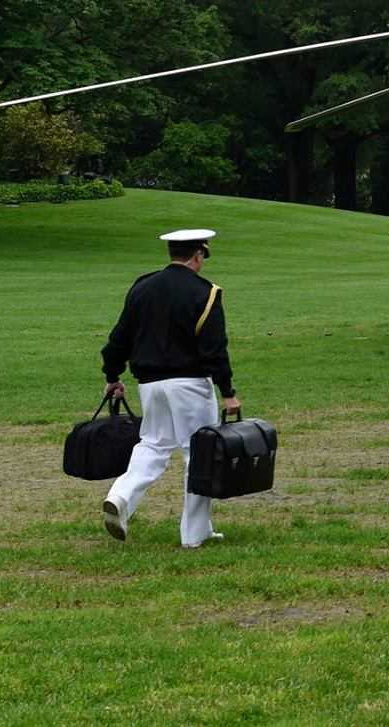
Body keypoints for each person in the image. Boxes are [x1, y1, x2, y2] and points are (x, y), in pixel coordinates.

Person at [98, 227, 241, 549]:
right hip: (190, 385)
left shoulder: (142, 287)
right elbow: (214, 349)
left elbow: (119, 337)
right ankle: (195, 533)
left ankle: (120, 497)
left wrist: (112, 374)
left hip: (150, 385)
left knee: (152, 445)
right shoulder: (206, 292)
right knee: (199, 455)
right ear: (198, 254)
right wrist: (228, 391)